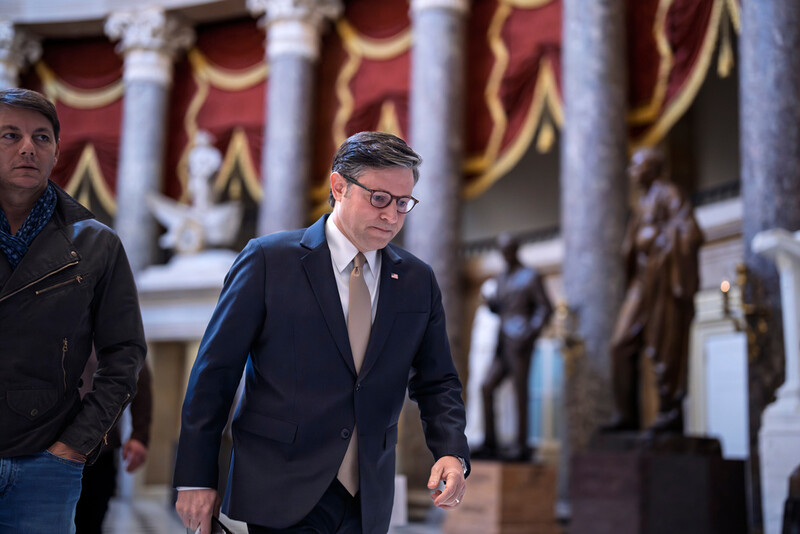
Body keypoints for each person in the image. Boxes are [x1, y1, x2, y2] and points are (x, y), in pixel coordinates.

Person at [174, 131, 470, 534]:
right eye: (379, 198)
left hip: (368, 494)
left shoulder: (417, 279)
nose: (392, 216)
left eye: (404, 203)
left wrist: (451, 451)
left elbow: (437, 381)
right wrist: (196, 476)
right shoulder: (268, 261)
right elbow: (214, 374)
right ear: (339, 186)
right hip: (280, 484)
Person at [0, 88, 146, 533]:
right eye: (10, 135)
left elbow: (125, 355)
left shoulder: (96, 243)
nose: (28, 147)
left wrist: (76, 445)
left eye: (41, 138)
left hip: (46, 461)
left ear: (57, 151)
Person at [603, 146, 703, 434]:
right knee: (620, 344)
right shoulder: (643, 201)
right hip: (642, 282)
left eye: (636, 166)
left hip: (663, 278)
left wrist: (657, 237)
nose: (631, 172)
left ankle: (670, 413)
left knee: (666, 346)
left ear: (651, 168)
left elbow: (690, 232)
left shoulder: (670, 193)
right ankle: (626, 415)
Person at [472, 232, 553, 462]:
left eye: (507, 250)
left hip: (520, 343)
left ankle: (521, 445)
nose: (504, 254)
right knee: (486, 387)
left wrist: (530, 332)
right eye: (501, 250)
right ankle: (490, 442)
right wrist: (491, 304)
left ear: (515, 250)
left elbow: (545, 309)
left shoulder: (530, 276)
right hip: (502, 343)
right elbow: (502, 308)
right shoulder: (502, 277)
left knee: (520, 393)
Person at [75, 360, 152, 534]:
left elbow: (137, 368)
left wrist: (140, 435)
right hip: (42, 449)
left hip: (98, 451)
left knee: (90, 523)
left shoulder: (110, 334)